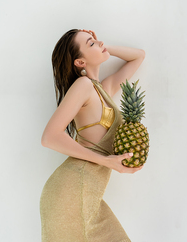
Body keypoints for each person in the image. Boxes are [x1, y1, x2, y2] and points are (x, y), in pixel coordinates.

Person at [40, 29, 145, 242]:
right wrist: (106, 161)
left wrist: (103, 46)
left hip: (88, 195)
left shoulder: (103, 89)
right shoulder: (83, 85)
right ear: (79, 62)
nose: (98, 43)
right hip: (72, 190)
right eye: (90, 43)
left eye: (95, 40)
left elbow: (139, 56)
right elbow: (49, 137)